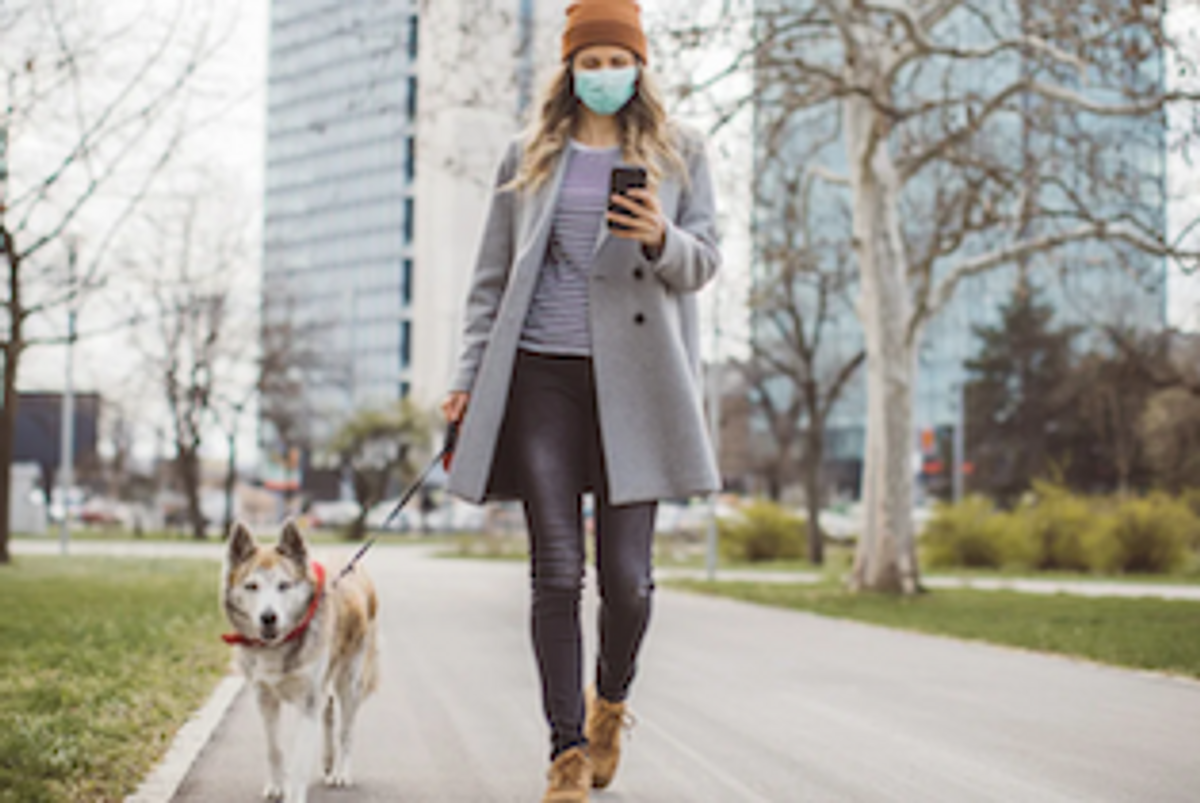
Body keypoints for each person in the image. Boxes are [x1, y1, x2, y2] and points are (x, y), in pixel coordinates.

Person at [440, 1, 721, 799]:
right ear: (569, 68)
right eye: (589, 62)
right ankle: (565, 751)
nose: (603, 75)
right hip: (542, 380)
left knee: (627, 580)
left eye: (616, 60)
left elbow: (707, 261)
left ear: (640, 64)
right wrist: (465, 377)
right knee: (556, 573)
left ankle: (611, 701)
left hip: (639, 384)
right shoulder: (527, 154)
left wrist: (661, 235)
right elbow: (489, 279)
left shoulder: (682, 152)